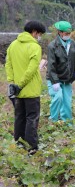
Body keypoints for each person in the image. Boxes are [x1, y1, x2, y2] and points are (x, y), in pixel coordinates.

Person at [5, 20, 46, 155]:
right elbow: (32, 69)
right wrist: (20, 84)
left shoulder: (13, 45)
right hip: (31, 90)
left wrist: (12, 83)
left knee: (19, 117)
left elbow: (8, 65)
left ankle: (18, 142)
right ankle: (32, 146)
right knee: (32, 118)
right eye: (39, 34)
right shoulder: (35, 47)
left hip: (17, 90)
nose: (39, 36)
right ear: (34, 32)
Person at [46, 21, 75, 123]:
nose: (68, 35)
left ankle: (67, 122)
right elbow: (51, 66)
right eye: (66, 33)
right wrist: (55, 81)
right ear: (60, 32)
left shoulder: (73, 44)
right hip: (54, 79)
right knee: (58, 97)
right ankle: (53, 120)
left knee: (67, 102)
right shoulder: (52, 46)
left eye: (69, 33)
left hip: (66, 79)